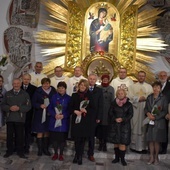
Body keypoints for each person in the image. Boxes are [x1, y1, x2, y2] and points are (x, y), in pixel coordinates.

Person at [2, 78, 31, 158]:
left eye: (18, 83)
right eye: (14, 83)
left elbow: (28, 106)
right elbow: (2, 105)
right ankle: (9, 151)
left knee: (20, 136)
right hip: (10, 118)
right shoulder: (7, 94)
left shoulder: (25, 94)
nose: (16, 85)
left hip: (20, 118)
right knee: (9, 136)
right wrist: (9, 108)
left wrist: (19, 108)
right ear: (12, 84)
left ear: (20, 84)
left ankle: (20, 152)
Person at [107, 89, 133, 166]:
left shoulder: (129, 104)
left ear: (124, 94)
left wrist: (123, 119)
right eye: (119, 93)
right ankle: (116, 158)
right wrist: (115, 118)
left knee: (122, 143)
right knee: (116, 143)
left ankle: (122, 159)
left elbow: (130, 114)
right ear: (117, 94)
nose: (120, 94)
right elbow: (110, 113)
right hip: (115, 125)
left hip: (124, 126)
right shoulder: (113, 103)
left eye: (122, 93)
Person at [144, 81, 168, 165]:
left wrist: (156, 117)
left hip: (159, 122)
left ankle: (156, 157)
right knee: (150, 140)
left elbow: (165, 110)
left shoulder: (163, 98)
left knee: (157, 140)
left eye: (158, 87)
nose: (156, 89)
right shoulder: (149, 97)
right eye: (154, 87)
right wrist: (148, 114)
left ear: (160, 89)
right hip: (150, 121)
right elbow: (146, 108)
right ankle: (151, 157)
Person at [129, 71, 153, 153]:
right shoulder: (132, 86)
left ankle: (143, 147)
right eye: (140, 76)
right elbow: (129, 96)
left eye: (143, 76)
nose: (141, 77)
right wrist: (138, 99)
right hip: (135, 108)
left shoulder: (149, 87)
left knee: (144, 127)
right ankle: (133, 146)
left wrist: (145, 97)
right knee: (135, 126)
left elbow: (151, 96)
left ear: (145, 77)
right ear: (137, 77)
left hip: (145, 109)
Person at [69, 79, 92, 165]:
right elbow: (70, 107)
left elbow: (93, 109)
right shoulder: (74, 95)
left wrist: (86, 111)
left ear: (86, 87)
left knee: (82, 139)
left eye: (84, 85)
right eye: (81, 85)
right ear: (78, 86)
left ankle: (80, 156)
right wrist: (75, 111)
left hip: (85, 121)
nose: (82, 87)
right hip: (76, 120)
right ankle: (76, 154)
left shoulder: (89, 96)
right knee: (76, 139)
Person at [32, 78, 56, 156]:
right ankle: (40, 149)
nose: (46, 85)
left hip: (49, 114)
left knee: (46, 132)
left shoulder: (53, 91)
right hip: (40, 114)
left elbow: (55, 101)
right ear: (42, 84)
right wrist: (40, 105)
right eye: (44, 83)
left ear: (49, 84)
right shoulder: (38, 92)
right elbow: (33, 102)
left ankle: (45, 149)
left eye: (47, 83)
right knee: (40, 131)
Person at [48, 81, 71, 161]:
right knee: (54, 139)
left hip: (63, 122)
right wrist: (54, 114)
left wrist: (63, 115)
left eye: (62, 88)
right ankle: (55, 153)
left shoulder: (68, 98)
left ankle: (61, 154)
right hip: (54, 120)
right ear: (57, 89)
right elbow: (50, 108)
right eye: (59, 88)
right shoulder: (53, 97)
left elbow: (69, 110)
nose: (61, 89)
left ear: (65, 89)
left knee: (62, 139)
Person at [87, 73, 103, 162]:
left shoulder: (99, 90)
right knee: (82, 135)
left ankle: (91, 154)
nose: (92, 80)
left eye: (93, 79)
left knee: (91, 136)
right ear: (88, 79)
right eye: (90, 79)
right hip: (84, 116)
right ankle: (80, 152)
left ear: (96, 80)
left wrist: (99, 117)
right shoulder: (84, 88)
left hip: (94, 117)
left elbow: (101, 105)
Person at [96, 74, 114, 152]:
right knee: (100, 128)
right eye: (104, 79)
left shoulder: (111, 89)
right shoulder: (98, 88)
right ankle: (100, 143)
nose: (105, 80)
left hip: (107, 111)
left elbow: (113, 100)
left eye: (107, 79)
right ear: (102, 80)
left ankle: (104, 143)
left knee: (106, 128)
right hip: (100, 111)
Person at [21, 73, 37, 154]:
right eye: (24, 79)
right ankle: (19, 147)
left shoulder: (34, 88)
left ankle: (26, 147)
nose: (26, 80)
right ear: (22, 79)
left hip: (29, 114)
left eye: (27, 79)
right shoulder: (18, 87)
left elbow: (34, 101)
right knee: (19, 131)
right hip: (19, 113)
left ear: (30, 80)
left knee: (27, 131)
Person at [158, 71, 170, 154]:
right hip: (156, 111)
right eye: (161, 76)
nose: (162, 77)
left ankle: (164, 148)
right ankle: (157, 147)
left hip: (166, 112)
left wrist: (169, 113)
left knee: (164, 130)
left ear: (167, 76)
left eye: (164, 75)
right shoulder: (156, 85)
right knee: (157, 130)